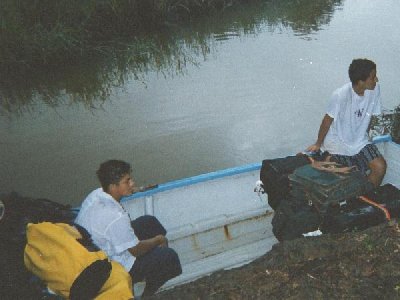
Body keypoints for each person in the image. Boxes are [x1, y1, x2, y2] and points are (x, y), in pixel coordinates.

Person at [75, 160, 182, 296]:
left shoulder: (96, 195)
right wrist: (158, 240)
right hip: (110, 266)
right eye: (127, 181)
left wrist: (136, 189)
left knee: (149, 222)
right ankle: (147, 292)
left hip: (92, 251)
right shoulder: (116, 216)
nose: (132, 183)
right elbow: (135, 251)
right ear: (113, 186)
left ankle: (151, 269)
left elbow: (117, 223)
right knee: (169, 256)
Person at [307, 58, 386, 187]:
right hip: (338, 143)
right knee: (347, 176)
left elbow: (371, 115)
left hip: (360, 141)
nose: (376, 80)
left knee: (380, 166)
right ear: (361, 82)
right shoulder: (340, 95)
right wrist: (318, 144)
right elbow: (327, 120)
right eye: (373, 77)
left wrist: (366, 137)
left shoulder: (375, 89)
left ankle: (367, 199)